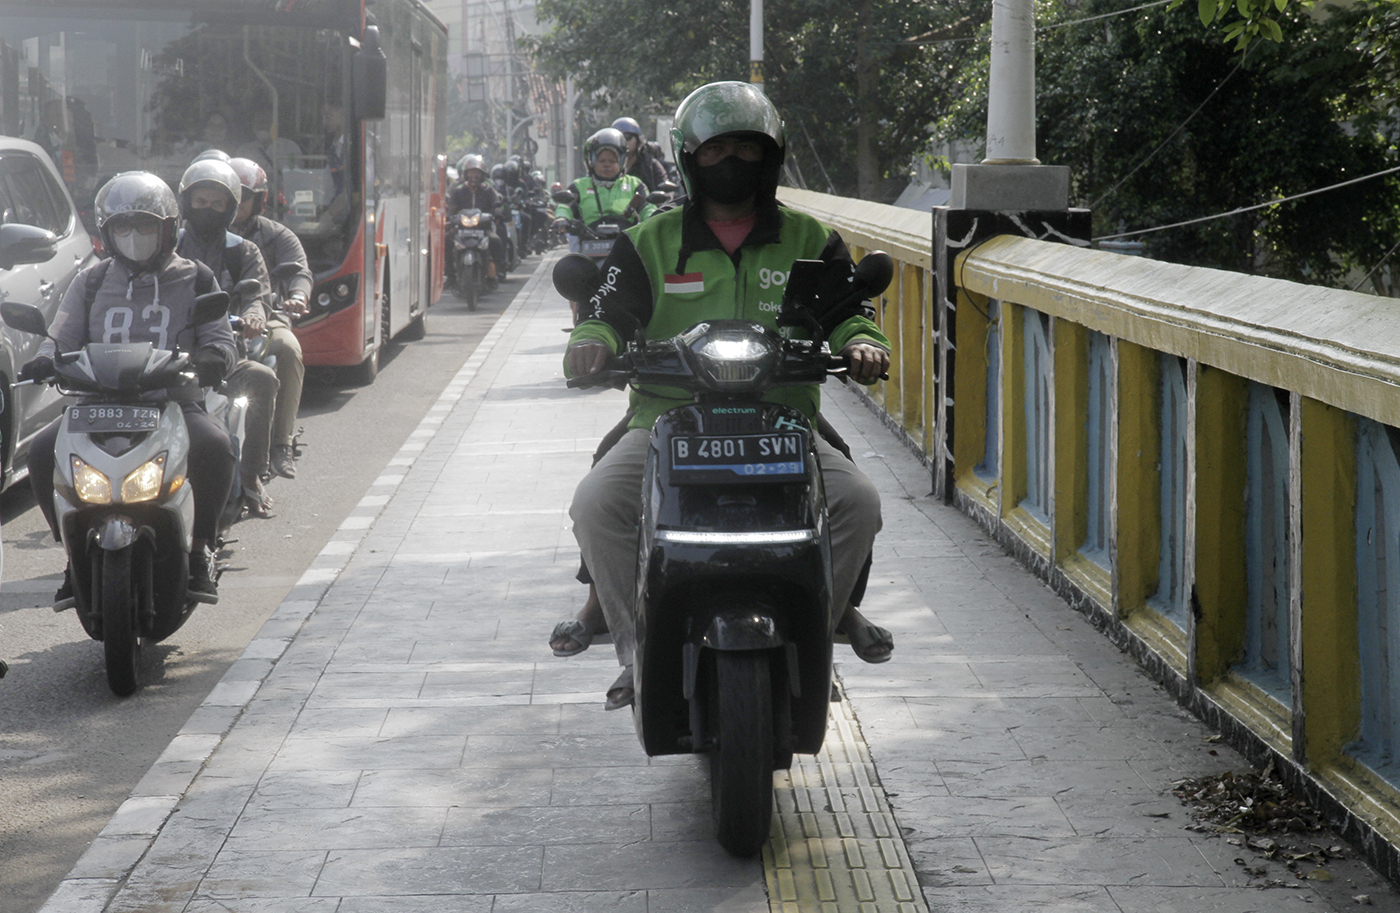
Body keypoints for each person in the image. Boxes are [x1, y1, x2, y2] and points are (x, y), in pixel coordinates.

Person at [563, 81, 894, 710]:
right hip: (667, 421)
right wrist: (593, 341)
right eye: (716, 151)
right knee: (597, 502)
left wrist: (861, 341)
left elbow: (849, 310)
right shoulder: (649, 242)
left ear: (771, 157)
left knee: (858, 501)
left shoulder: (808, 239)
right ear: (691, 159)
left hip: (784, 421)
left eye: (747, 148)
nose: (732, 162)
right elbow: (608, 311)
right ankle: (638, 654)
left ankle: (818, 635)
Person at [21, 171, 238, 605]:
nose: (134, 236)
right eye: (123, 226)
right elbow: (61, 335)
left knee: (215, 445)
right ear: (107, 233)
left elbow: (221, 340)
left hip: (172, 403)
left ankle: (200, 551)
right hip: (96, 402)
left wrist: (214, 358)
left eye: (145, 226)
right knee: (41, 452)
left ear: (168, 230)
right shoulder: (93, 281)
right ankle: (72, 554)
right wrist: (46, 358)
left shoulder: (196, 278)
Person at [175, 156, 280, 518]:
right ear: (186, 203)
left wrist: (253, 315)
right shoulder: (165, 246)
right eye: (200, 202)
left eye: (216, 203)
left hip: (224, 354)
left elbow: (257, 295)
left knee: (263, 379)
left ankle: (251, 475)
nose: (206, 210)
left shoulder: (243, 251)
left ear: (231, 208)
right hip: (167, 355)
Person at [228, 157, 309, 479]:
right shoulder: (192, 238)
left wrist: (298, 297)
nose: (233, 206)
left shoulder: (277, 236)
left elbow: (300, 272)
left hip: (266, 318)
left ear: (259, 199)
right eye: (225, 198)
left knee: (289, 349)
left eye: (242, 198)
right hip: (208, 321)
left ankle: (281, 444)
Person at [446, 154, 506, 285]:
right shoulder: (458, 191)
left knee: (496, 241)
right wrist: (448, 217)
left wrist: (497, 212)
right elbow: (451, 207)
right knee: (446, 242)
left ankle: (497, 271)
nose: (474, 177)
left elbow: (496, 203)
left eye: (477, 173)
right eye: (471, 173)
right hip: (461, 229)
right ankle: (450, 276)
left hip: (483, 228)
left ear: (482, 175)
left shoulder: (488, 190)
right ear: (465, 174)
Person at [612, 116, 667, 192]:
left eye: (628, 137)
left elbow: (665, 191)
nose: (624, 142)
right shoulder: (604, 164)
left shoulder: (650, 165)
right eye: (619, 138)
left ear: (638, 140)